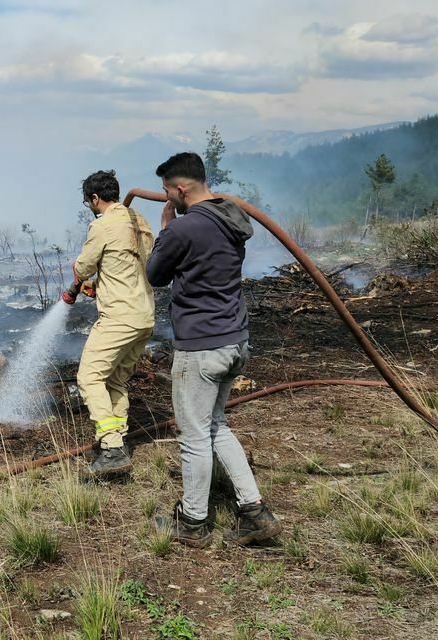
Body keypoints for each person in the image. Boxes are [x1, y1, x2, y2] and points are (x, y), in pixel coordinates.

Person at [145, 152, 282, 547]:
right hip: (235, 340)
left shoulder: (184, 229)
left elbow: (155, 275)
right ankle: (254, 511)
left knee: (193, 435)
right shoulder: (231, 218)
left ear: (181, 188)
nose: (167, 198)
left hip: (201, 347)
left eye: (169, 192)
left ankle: (192, 522)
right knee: (216, 425)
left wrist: (166, 228)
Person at [71, 170, 156, 479]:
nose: (90, 207)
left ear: (95, 198)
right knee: (116, 380)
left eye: (88, 202)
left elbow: (83, 266)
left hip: (119, 317)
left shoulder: (102, 225)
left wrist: (79, 274)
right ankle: (117, 441)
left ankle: (111, 448)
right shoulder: (140, 222)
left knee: (89, 377)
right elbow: (132, 266)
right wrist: (102, 285)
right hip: (144, 316)